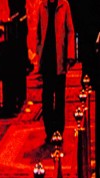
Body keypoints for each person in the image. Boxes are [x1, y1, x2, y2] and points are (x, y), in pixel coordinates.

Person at [35, 0, 75, 145]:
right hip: (47, 58)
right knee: (46, 96)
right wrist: (38, 51)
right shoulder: (42, 7)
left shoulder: (64, 5)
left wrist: (70, 54)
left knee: (59, 96)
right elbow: (39, 32)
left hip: (59, 57)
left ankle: (58, 130)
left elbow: (70, 31)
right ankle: (49, 130)